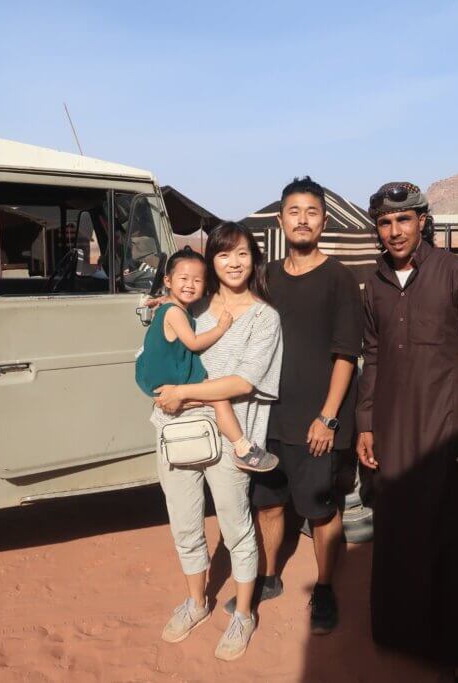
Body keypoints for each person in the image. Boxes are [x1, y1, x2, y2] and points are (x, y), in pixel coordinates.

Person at [356, 182, 458, 683]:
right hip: (391, 431)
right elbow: (372, 356)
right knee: (395, 535)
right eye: (384, 222)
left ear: (422, 221)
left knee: (447, 540)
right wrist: (365, 423)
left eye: (403, 220)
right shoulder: (374, 283)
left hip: (445, 432)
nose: (394, 231)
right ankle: (399, 634)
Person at [224, 177, 363, 635]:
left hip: (316, 422)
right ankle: (269, 577)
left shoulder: (339, 278)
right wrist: (172, 302)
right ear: (281, 219)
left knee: (321, 508)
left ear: (324, 220)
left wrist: (328, 417)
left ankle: (324, 587)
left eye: (311, 212)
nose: (302, 220)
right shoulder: (266, 277)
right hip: (266, 419)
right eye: (294, 211)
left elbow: (346, 354)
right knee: (268, 504)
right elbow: (224, 300)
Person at [150, 222, 283, 661]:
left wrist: (184, 392)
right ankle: (196, 602)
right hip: (177, 432)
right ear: (213, 261)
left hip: (230, 435)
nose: (234, 262)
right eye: (224, 254)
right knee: (185, 524)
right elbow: (158, 344)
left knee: (236, 526)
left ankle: (243, 613)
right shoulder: (191, 306)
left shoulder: (264, 318)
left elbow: (243, 382)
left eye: (242, 253)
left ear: (254, 259)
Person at [136, 245, 278, 472]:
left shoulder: (174, 307)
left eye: (197, 280)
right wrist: (221, 328)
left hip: (158, 378)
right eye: (184, 279)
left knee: (206, 397)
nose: (190, 285)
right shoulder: (174, 311)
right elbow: (193, 343)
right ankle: (242, 448)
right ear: (168, 280)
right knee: (219, 399)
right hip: (170, 376)